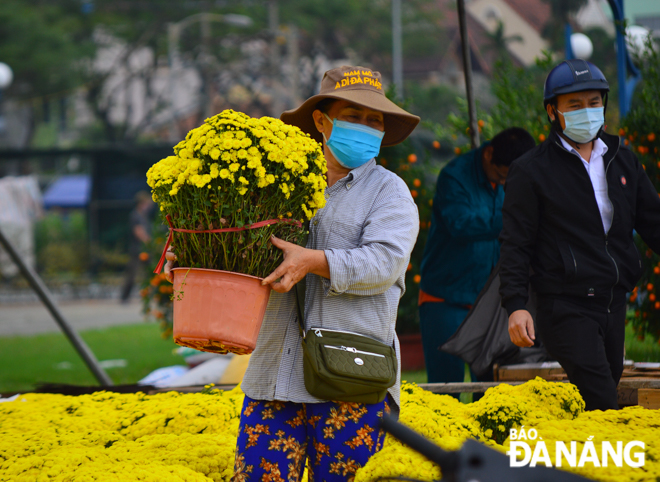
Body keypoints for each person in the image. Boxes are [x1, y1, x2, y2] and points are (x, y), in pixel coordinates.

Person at [166, 65, 420, 481]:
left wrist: (313, 261)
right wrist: (195, 257)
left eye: (375, 120)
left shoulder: (389, 192)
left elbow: (384, 264)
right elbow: (241, 250)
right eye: (353, 116)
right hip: (272, 377)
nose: (366, 127)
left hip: (349, 381)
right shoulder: (276, 182)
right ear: (322, 121)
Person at [499, 59, 660, 411]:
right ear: (553, 111)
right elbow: (515, 243)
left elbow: (653, 221)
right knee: (603, 398)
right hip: (565, 305)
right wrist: (515, 306)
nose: (586, 111)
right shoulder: (530, 171)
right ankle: (620, 465)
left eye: (593, 102)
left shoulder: (623, 160)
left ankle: (581, 463)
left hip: (613, 301)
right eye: (574, 104)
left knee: (600, 394)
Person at [418, 128, 535, 385]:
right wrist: (514, 216)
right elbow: (460, 225)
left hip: (491, 305)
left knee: (492, 390)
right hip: (446, 299)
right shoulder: (454, 176)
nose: (504, 183)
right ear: (489, 154)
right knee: (446, 390)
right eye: (500, 176)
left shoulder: (513, 176)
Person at [120, 190, 154, 303]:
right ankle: (124, 297)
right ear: (142, 203)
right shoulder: (135, 215)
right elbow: (138, 231)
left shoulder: (143, 215)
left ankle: (153, 294)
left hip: (144, 250)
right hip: (137, 250)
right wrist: (149, 241)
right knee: (132, 274)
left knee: (151, 272)